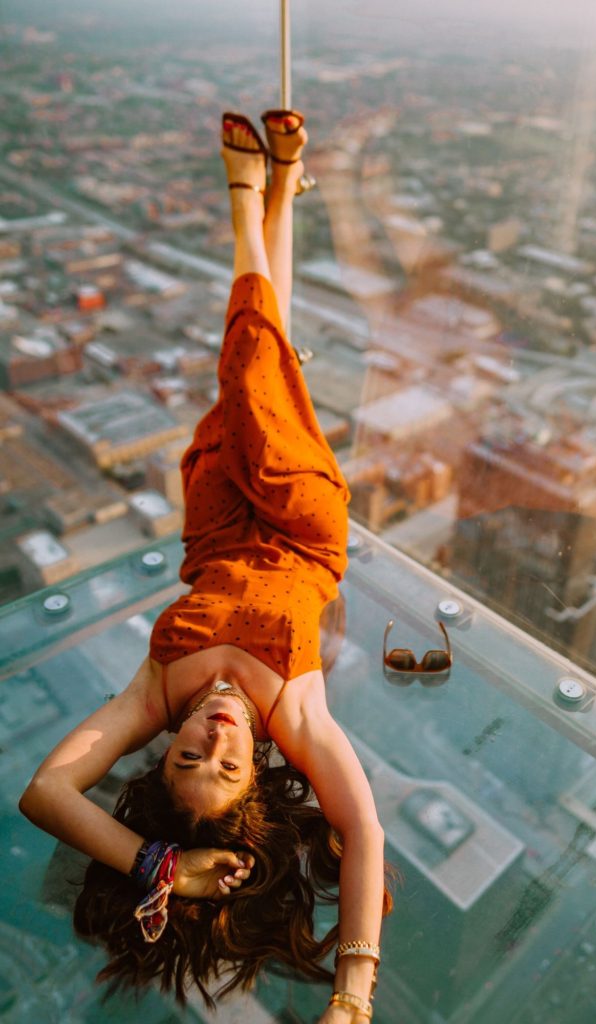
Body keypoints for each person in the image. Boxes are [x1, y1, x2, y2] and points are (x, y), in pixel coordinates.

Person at [19, 110, 387, 1023]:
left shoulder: (151, 696)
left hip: (214, 533)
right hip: (304, 534)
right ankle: (246, 199)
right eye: (224, 764)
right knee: (256, 384)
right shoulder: (293, 715)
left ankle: (279, 191)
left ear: (162, 752)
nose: (215, 733)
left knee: (262, 370)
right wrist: (352, 997)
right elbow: (363, 830)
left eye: (188, 754)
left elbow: (46, 793)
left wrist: (162, 868)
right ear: (256, 775)